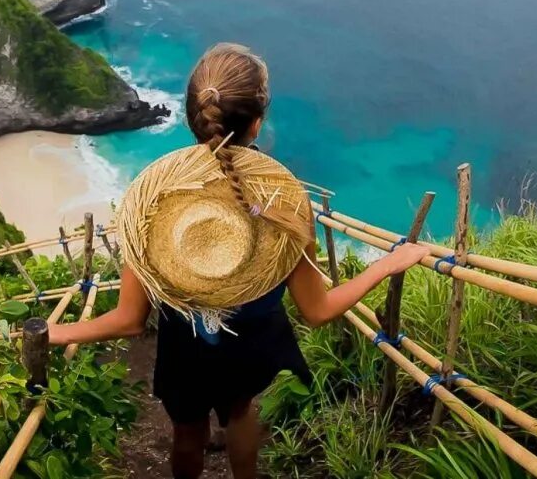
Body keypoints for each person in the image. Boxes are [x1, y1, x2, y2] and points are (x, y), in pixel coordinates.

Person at [49, 44, 430, 479]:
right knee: (241, 411)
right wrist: (386, 264)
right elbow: (317, 310)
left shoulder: (150, 203)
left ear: (193, 113)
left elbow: (130, 320)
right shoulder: (283, 201)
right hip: (251, 345)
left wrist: (55, 333)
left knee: (186, 430)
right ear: (256, 122)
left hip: (183, 350)